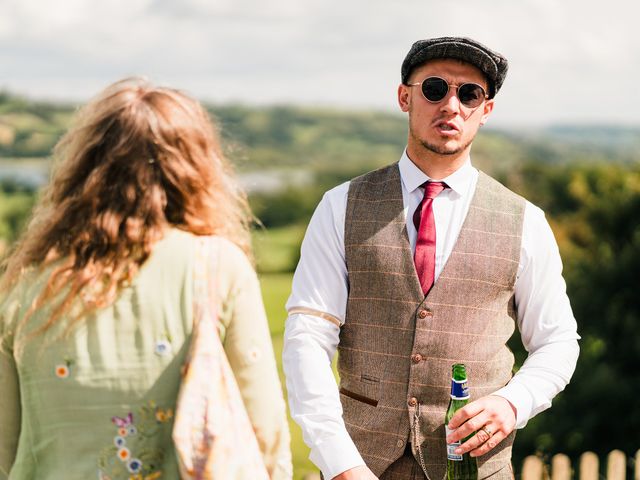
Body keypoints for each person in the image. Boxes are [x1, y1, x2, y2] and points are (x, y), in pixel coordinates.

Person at [283, 37, 580, 480]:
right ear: (405, 97)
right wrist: (339, 462)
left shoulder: (526, 222)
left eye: (470, 94)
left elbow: (558, 341)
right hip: (360, 465)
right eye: (435, 88)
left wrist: (512, 402)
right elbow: (307, 337)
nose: (452, 105)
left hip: (478, 469)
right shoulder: (341, 206)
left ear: (486, 110)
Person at [0, 77, 292, 479]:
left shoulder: (25, 283)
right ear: (195, 169)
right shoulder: (216, 267)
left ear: (83, 169)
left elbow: (5, 444)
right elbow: (264, 426)